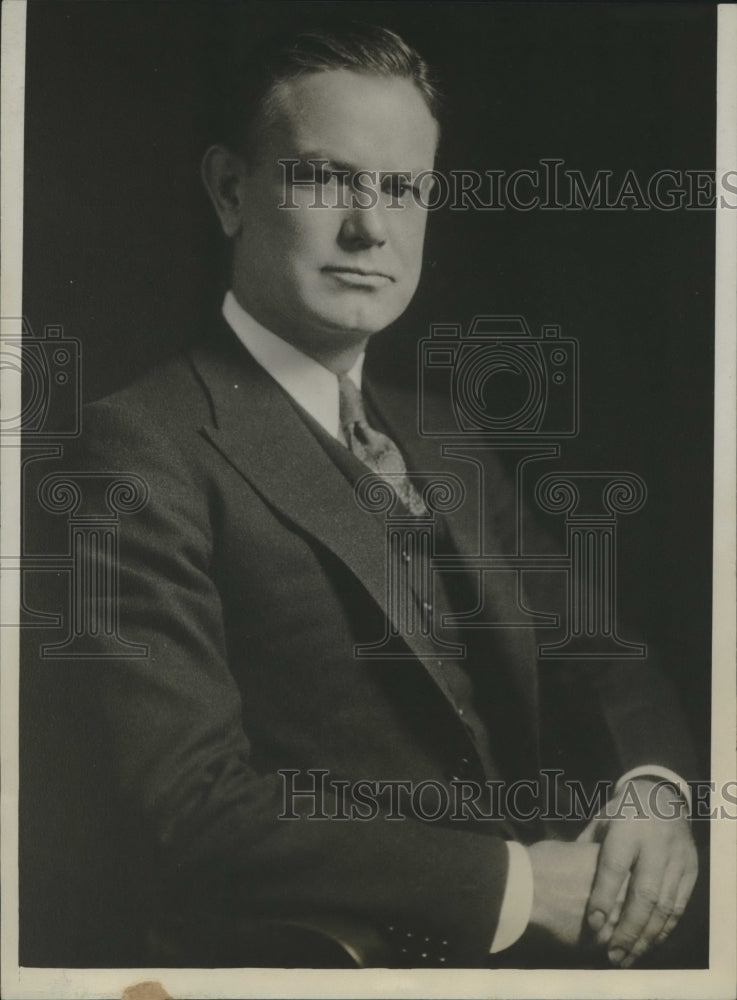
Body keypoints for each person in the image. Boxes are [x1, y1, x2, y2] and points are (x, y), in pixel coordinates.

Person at [64, 22, 699, 968]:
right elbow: (190, 810)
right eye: (324, 179)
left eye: (402, 188)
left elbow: (597, 653)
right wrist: (521, 887)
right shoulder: (138, 446)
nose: (371, 226)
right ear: (231, 191)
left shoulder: (442, 431)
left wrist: (653, 793)